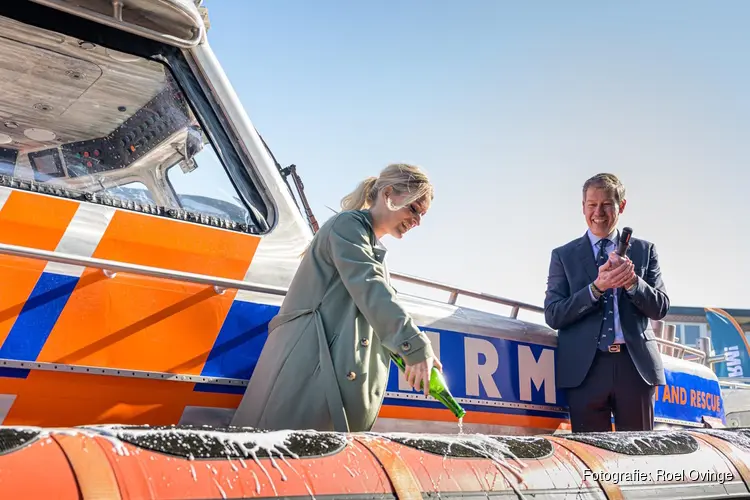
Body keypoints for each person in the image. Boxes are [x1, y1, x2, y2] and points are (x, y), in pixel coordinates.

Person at [230, 163, 442, 432]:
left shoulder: (368, 243)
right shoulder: (348, 225)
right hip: (308, 378)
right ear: (389, 193)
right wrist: (414, 345)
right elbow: (370, 287)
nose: (417, 221)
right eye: (413, 209)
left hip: (324, 383)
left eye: (422, 215)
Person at [544, 173, 669, 433]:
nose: (598, 213)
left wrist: (632, 282)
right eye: (591, 205)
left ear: (621, 206)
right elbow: (554, 315)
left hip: (634, 369)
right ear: (583, 207)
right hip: (585, 372)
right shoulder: (563, 256)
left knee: (638, 458)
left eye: (606, 205)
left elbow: (660, 307)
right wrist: (595, 288)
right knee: (592, 463)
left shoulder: (644, 251)